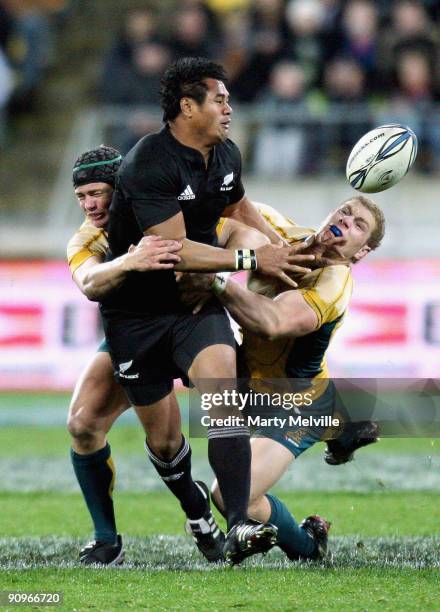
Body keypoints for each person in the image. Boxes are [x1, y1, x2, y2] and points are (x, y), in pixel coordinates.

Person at [100, 56, 317, 565]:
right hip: (133, 317)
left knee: (223, 398)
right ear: (186, 106)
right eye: (219, 99)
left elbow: (239, 207)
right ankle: (196, 507)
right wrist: (251, 256)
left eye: (228, 100)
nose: (228, 108)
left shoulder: (225, 153)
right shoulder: (148, 162)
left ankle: (240, 522)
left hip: (192, 304)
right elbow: (171, 250)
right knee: (164, 438)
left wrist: (282, 247)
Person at [180, 195, 384, 560]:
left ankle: (309, 544)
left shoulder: (333, 285)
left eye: (358, 225)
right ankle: (344, 427)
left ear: (360, 252)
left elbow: (273, 323)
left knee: (229, 498)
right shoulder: (279, 230)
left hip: (295, 404)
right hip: (249, 388)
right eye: (345, 211)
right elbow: (232, 202)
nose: (346, 221)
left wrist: (216, 281)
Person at [67, 145, 187, 565]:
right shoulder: (87, 237)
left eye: (97, 193)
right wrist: (130, 262)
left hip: (192, 328)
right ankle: (106, 539)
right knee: (83, 426)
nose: (89, 205)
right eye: (81, 197)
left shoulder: (165, 210)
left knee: (240, 425)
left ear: (121, 187)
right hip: (132, 339)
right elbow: (89, 281)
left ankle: (271, 527)